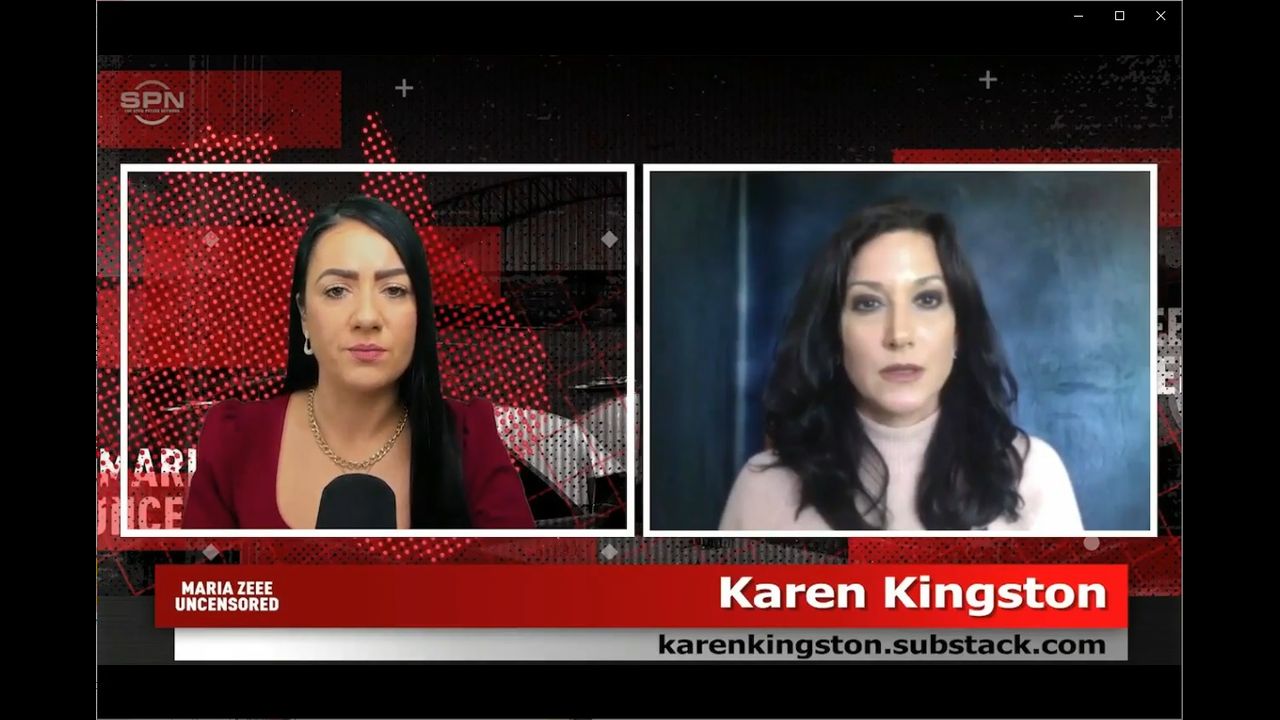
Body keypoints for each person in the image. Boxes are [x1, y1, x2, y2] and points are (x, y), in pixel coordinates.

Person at [720, 201, 1084, 532]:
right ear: (834, 335)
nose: (899, 335)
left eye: (927, 299)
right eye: (868, 304)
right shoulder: (762, 490)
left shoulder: (1033, 476)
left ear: (958, 331)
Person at [183, 195, 535, 529]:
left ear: (420, 312)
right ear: (304, 314)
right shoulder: (234, 440)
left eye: (394, 290)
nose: (367, 317)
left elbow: (522, 571)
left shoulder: (470, 440)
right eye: (337, 290)